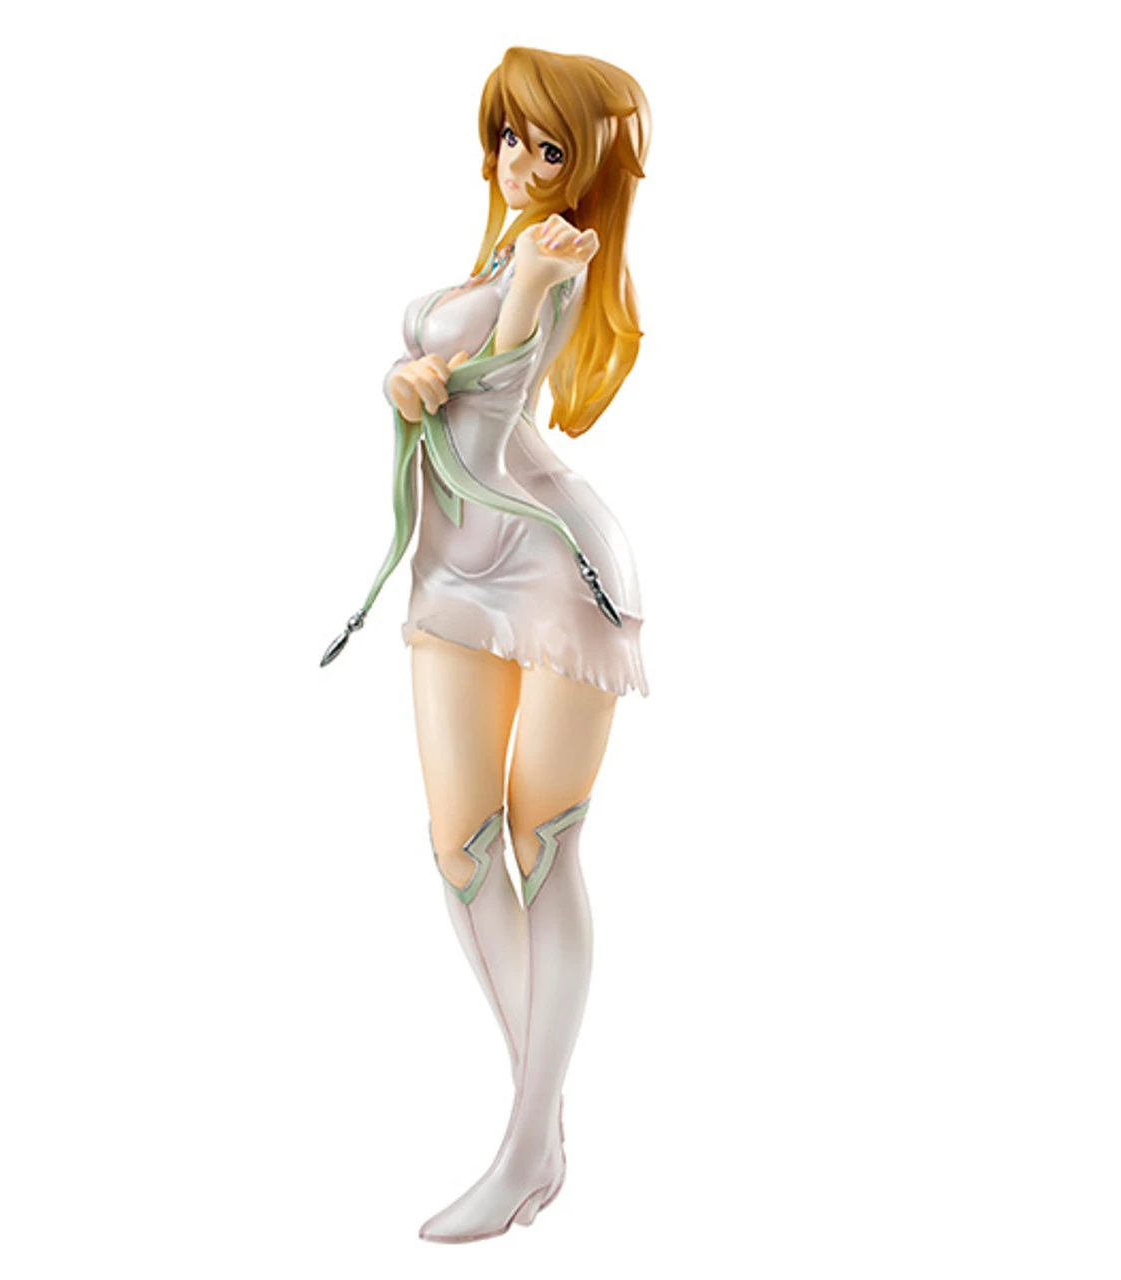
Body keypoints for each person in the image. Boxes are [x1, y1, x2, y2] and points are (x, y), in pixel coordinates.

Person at [325, 46, 651, 1242]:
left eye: (548, 146)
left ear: (586, 167)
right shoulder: (501, 254)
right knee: (458, 846)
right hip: (452, 565)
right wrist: (403, 375)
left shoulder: (555, 257)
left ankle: (520, 1146)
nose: (520, 162)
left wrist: (461, 354)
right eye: (509, 137)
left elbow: (498, 401)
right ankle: (540, 1123)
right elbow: (456, 391)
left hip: (553, 563)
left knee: (538, 839)